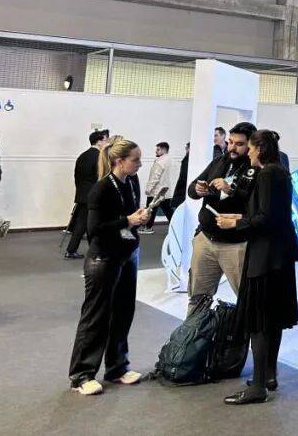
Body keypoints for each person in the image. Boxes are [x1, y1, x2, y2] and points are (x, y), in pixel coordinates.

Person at [216, 129, 298, 405]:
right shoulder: (279, 171)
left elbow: (265, 218)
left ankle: (259, 385)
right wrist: (241, 216)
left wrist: (236, 223)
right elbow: (269, 212)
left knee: (260, 321)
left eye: (250, 148)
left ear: (260, 149)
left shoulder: (267, 174)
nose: (248, 153)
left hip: (266, 256)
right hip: (278, 255)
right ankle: (268, 375)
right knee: (272, 318)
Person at [67, 136, 150, 396]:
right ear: (119, 161)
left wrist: (141, 218)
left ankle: (117, 367)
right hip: (103, 258)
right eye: (135, 160)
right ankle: (82, 375)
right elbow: (94, 230)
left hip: (128, 254)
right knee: (96, 316)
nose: (140, 164)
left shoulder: (132, 182)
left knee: (123, 312)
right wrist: (127, 221)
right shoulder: (101, 188)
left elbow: (130, 215)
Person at [186, 121, 258, 315]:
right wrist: (197, 189)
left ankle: (248, 334)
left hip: (236, 245)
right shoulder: (220, 161)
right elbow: (191, 189)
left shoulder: (256, 169)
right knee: (197, 298)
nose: (232, 147)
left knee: (248, 300)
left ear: (251, 145)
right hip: (206, 240)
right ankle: (191, 334)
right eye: (230, 142)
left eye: (239, 144)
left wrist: (230, 189)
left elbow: (256, 205)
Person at [66, 129, 109, 258]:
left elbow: (77, 176)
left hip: (82, 194)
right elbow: (100, 177)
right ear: (99, 141)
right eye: (105, 140)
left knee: (83, 223)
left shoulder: (82, 156)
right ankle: (91, 251)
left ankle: (73, 250)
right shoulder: (99, 157)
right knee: (88, 224)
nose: (107, 143)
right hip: (93, 195)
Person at [141, 142, 174, 233]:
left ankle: (148, 228)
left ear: (163, 150)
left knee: (150, 210)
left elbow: (155, 177)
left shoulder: (160, 161)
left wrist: (148, 189)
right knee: (168, 210)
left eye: (158, 149)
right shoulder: (171, 160)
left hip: (156, 191)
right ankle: (176, 227)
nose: (156, 151)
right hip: (166, 190)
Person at [171, 142, 190, 212]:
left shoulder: (187, 159)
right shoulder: (188, 158)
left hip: (182, 189)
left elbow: (183, 175)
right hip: (183, 189)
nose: (186, 150)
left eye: (187, 148)